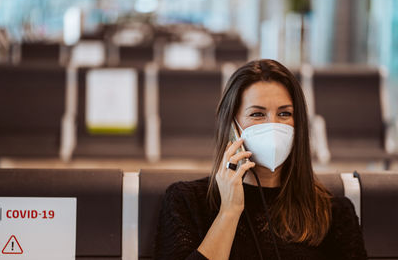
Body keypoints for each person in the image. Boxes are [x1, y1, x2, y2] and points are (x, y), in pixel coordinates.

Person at [154, 59, 367, 259]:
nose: (273, 125)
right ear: (232, 128)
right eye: (257, 114)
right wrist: (229, 212)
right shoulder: (187, 201)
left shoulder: (332, 213)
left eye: (284, 114)